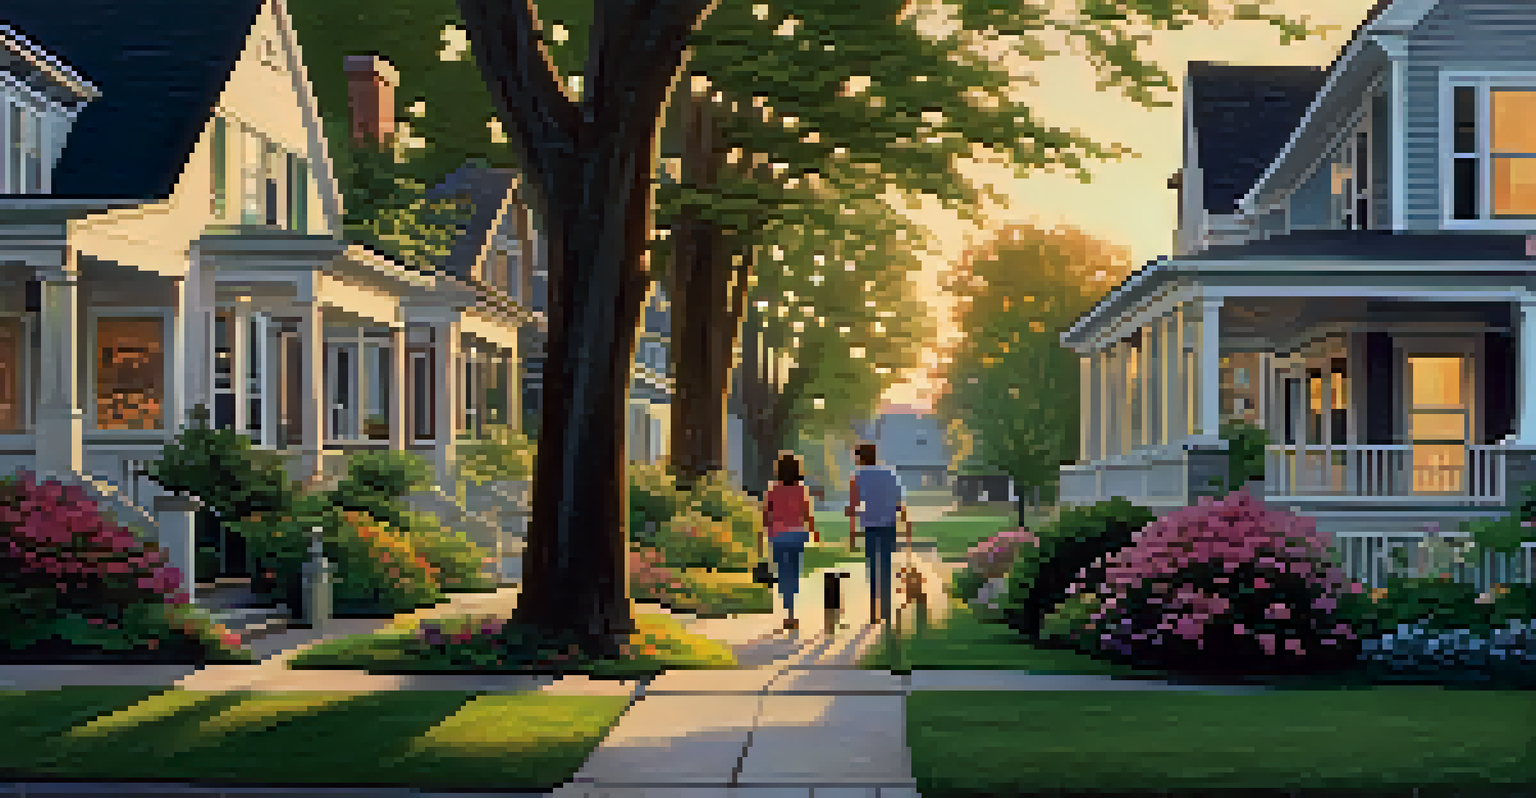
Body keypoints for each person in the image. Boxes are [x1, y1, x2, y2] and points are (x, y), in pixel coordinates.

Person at [846, 442, 910, 625]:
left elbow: (853, 507)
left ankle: (874, 612)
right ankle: (887, 609)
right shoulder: (890, 474)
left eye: (856, 456)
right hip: (889, 525)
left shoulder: (857, 477)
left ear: (860, 457)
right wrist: (905, 524)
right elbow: (899, 502)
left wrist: (852, 533)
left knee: (873, 568)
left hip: (870, 526)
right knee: (886, 566)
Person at [761, 451, 818, 631]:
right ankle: (792, 613)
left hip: (777, 535)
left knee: (783, 572)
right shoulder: (801, 489)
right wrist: (813, 531)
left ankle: (788, 610)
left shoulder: (772, 488)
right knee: (793, 572)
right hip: (796, 535)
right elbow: (807, 513)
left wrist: (765, 529)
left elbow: (766, 513)